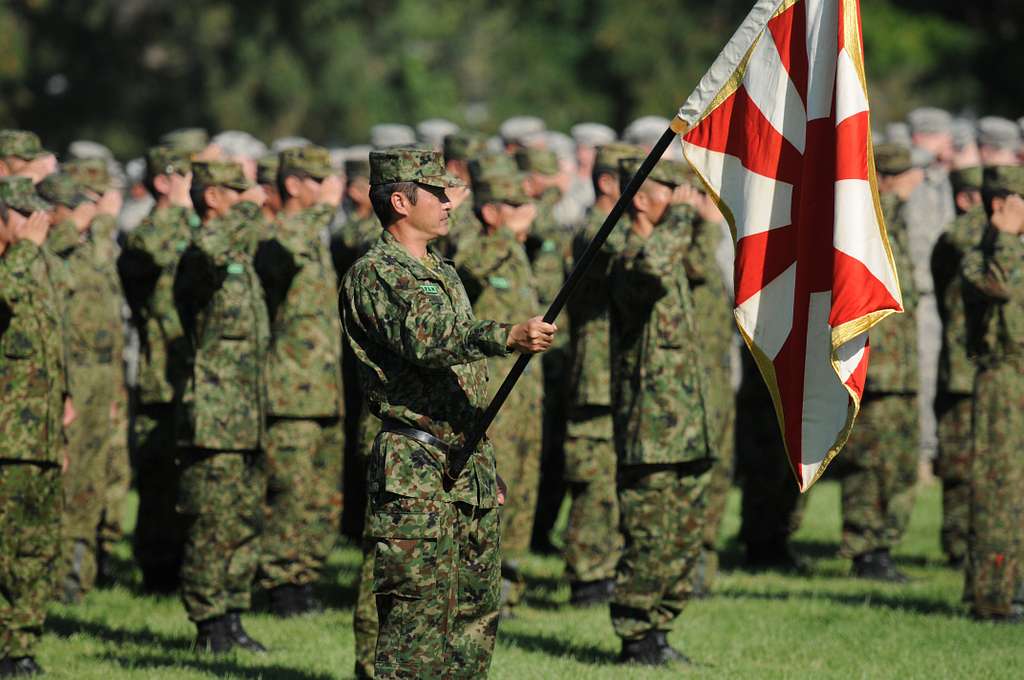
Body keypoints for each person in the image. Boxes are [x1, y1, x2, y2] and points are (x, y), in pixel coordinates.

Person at [340, 147, 556, 678]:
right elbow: (429, 339)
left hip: (464, 461)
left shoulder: (443, 271)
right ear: (399, 200)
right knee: (416, 625)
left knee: (473, 618)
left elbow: (461, 378)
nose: (449, 201)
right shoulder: (376, 274)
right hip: (415, 467)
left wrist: (483, 462)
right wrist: (504, 335)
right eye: (436, 192)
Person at [608, 158, 712, 666]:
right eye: (671, 191)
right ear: (643, 199)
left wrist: (691, 223)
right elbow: (649, 270)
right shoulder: (624, 255)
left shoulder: (675, 251)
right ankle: (636, 635)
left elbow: (699, 269)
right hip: (650, 428)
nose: (683, 202)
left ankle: (663, 627)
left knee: (684, 537)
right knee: (648, 536)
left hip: (690, 426)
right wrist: (679, 221)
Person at [173, 160, 270, 653]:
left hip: (246, 414)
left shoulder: (239, 255)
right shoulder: (200, 253)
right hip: (212, 416)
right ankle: (208, 621)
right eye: (237, 192)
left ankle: (233, 614)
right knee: (211, 522)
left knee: (244, 521)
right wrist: (252, 209)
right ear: (212, 197)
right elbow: (210, 249)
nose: (248, 200)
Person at [253, 145, 345, 617]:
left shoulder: (316, 234)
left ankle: (305, 577)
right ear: (292, 185)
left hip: (325, 389)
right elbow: (280, 252)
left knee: (322, 495)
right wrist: (327, 206)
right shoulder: (277, 233)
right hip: (290, 391)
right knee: (287, 493)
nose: (328, 188)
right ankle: (279, 584)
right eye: (317, 180)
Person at [454, 169, 544, 617]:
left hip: (526, 395)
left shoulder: (519, 253)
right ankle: (475, 588)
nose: (525, 214)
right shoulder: (481, 246)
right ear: (490, 211)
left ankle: (509, 585)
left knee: (524, 488)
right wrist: (507, 236)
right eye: (513, 206)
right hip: (493, 394)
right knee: (494, 487)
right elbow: (468, 265)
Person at [39, 171, 127, 601]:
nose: (85, 214)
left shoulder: (84, 249)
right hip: (72, 379)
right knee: (71, 480)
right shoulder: (54, 252)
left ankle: (79, 576)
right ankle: (61, 579)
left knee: (93, 478)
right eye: (75, 208)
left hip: (99, 379)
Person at [835, 144, 921, 582]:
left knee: (901, 464)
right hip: (878, 367)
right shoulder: (871, 218)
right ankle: (865, 547)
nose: (916, 181)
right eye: (905, 174)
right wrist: (884, 189)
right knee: (871, 464)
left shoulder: (898, 224)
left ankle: (882, 545)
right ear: (885, 179)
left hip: (901, 371)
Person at [116, 146, 198, 593]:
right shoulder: (148, 232)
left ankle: (187, 562)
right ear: (163, 181)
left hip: (192, 368)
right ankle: (157, 568)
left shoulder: (194, 224)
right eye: (183, 173)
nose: (192, 181)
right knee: (159, 473)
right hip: (161, 369)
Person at [563, 142, 638, 605]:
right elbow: (629, 254)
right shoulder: (596, 227)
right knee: (594, 477)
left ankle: (609, 565)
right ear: (609, 184)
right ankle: (589, 574)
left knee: (617, 476)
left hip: (622, 369)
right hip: (596, 372)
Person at [0, 180, 69, 678]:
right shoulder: (14, 267)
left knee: (38, 547)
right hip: (7, 440)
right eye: (21, 217)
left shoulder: (31, 267)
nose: (32, 227)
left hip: (38, 437)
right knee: (6, 548)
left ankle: (21, 645)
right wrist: (24, 250)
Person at [960, 165, 1024, 623]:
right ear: (1001, 205)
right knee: (998, 492)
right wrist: (1002, 234)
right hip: (1002, 379)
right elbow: (999, 285)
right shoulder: (979, 254)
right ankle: (992, 597)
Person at [930, 166, 985, 568]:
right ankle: (958, 544)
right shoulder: (957, 238)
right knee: (960, 463)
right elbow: (960, 239)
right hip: (963, 370)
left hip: (995, 367)